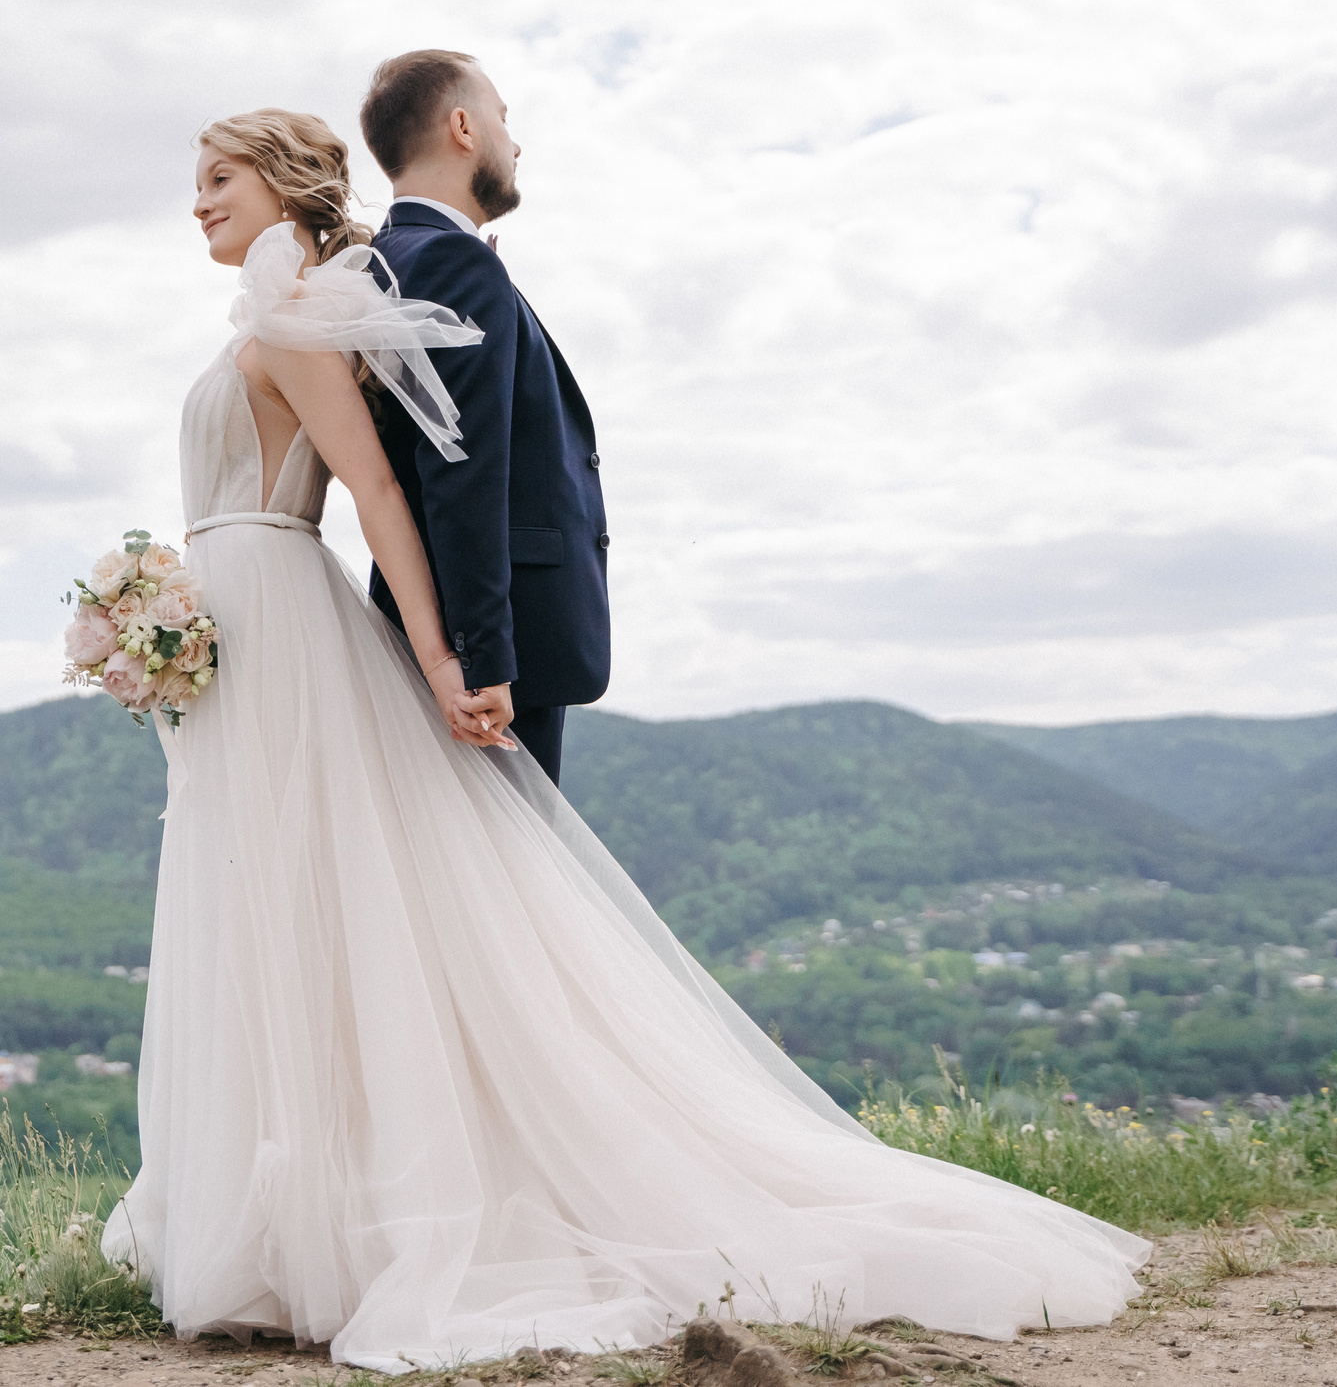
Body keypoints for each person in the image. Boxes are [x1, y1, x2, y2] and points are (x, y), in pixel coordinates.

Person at [97, 103, 1147, 1374]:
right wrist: (150, 614)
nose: (197, 199)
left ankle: (336, 1223)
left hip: (288, 636)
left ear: (281, 184)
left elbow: (374, 492)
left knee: (327, 906)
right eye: (194, 181)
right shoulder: (265, 316)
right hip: (233, 646)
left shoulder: (290, 318)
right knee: (259, 909)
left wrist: (439, 660)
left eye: (218, 177)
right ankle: (269, 1210)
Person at [360, 50, 606, 785]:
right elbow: (461, 468)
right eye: (503, 116)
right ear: (463, 127)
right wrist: (482, 658)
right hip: (495, 656)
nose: (515, 140)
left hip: (459, 633)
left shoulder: (390, 257)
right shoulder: (450, 263)